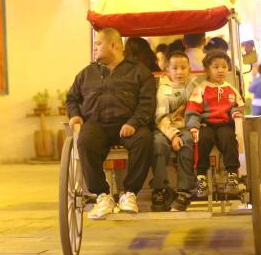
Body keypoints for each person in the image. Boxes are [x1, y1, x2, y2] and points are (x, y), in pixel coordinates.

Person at [66, 28, 156, 219]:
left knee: (145, 139)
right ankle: (102, 196)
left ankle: (129, 193)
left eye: (98, 44)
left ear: (114, 45)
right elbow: (72, 98)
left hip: (129, 124)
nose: (95, 48)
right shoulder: (87, 73)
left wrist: (134, 122)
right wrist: (75, 115)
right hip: (96, 124)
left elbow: (147, 103)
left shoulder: (139, 72)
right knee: (85, 141)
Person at [186, 51, 245, 197]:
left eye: (224, 67)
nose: (220, 70)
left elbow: (238, 105)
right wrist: (193, 126)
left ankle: (232, 175)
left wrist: (236, 113)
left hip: (224, 124)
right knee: (202, 140)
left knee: (229, 139)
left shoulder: (231, 89)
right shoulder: (201, 88)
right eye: (216, 67)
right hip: (206, 124)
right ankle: (201, 178)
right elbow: (193, 109)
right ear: (207, 69)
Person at [152, 52, 198, 211]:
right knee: (158, 145)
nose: (179, 72)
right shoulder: (163, 90)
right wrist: (173, 136)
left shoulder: (194, 86)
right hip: (164, 128)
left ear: (189, 70)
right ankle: (160, 189)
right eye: (175, 68)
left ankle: (184, 191)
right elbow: (160, 117)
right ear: (167, 71)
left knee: (187, 144)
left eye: (183, 68)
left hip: (185, 127)